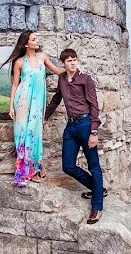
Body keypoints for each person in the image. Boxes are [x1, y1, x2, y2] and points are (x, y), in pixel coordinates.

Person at [45, 48, 106, 224]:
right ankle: (97, 189)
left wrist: (94, 132)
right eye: (69, 60)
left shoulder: (86, 80)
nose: (72, 63)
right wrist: (45, 117)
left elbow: (94, 106)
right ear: (63, 63)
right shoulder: (62, 79)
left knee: (94, 166)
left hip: (86, 125)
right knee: (68, 166)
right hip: (70, 127)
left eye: (74, 60)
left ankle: (97, 207)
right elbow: (57, 99)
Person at [0, 30, 64, 186]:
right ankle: (26, 171)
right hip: (22, 99)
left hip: (37, 102)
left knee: (34, 131)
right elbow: (15, 85)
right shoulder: (20, 62)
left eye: (36, 38)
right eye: (34, 39)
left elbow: (57, 71)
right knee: (22, 133)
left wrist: (72, 69)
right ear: (26, 44)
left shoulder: (42, 57)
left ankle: (35, 167)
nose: (37, 41)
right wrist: (10, 106)